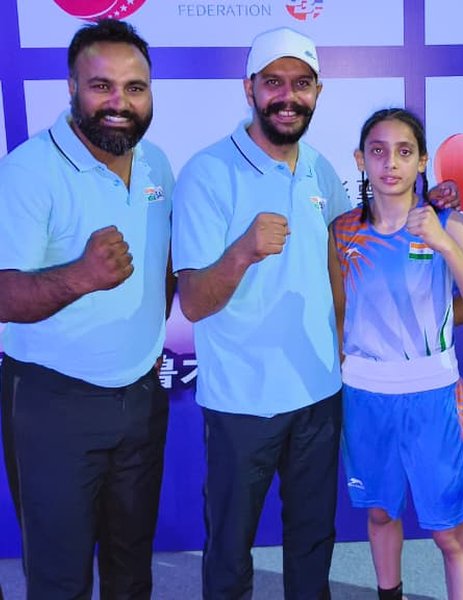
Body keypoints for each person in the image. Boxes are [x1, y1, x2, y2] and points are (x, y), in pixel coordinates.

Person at [171, 28, 458, 600]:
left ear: (318, 92)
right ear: (248, 88)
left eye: (300, 84)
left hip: (321, 393)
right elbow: (195, 302)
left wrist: (431, 203)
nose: (287, 96)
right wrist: (243, 251)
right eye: (273, 82)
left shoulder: (321, 170)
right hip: (241, 401)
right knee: (230, 545)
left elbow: (367, 244)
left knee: (312, 539)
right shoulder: (207, 172)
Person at [0, 19, 173, 599]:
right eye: (101, 86)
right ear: (71, 88)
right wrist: (79, 277)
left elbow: (162, 272)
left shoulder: (156, 166)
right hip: (54, 404)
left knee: (131, 567)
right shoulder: (28, 170)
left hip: (142, 400)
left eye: (135, 87)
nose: (119, 102)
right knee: (59, 576)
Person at [328, 108, 463, 600]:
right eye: (378, 151)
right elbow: (341, 313)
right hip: (365, 398)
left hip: (434, 399)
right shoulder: (342, 231)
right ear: (361, 160)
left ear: (423, 160)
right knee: (380, 512)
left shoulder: (449, 223)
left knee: (449, 530)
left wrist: (443, 243)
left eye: (405, 152)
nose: (391, 163)